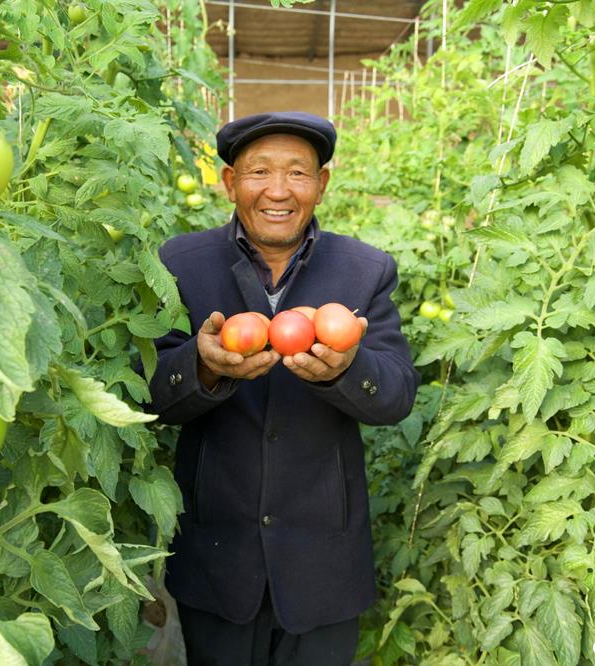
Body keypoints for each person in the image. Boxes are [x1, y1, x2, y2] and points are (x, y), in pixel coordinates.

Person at [149, 111, 418, 666]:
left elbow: (396, 395)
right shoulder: (181, 264)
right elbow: (147, 396)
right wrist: (202, 367)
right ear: (229, 182)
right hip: (216, 560)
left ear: (321, 184)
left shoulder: (365, 271)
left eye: (298, 173)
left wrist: (348, 368)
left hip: (324, 566)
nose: (278, 190)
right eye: (258, 172)